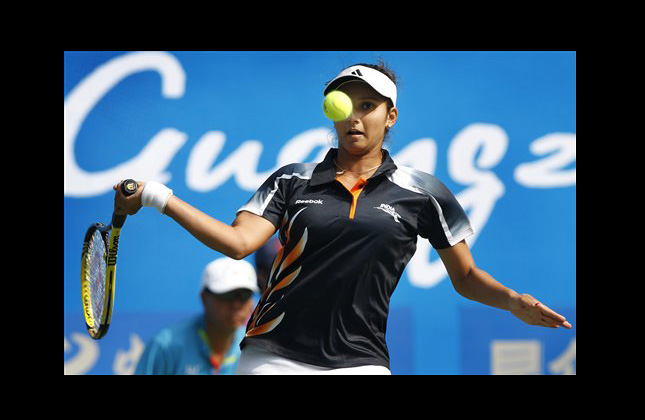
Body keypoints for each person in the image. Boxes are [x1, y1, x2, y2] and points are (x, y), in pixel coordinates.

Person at [116, 61, 572, 375]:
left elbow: (466, 276)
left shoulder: (423, 193)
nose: (354, 116)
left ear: (390, 116)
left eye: (368, 106)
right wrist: (159, 196)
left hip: (361, 361)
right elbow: (237, 243)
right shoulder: (293, 180)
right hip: (274, 356)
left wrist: (514, 302)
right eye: (344, 104)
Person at [134, 257, 259, 375]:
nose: (236, 304)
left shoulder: (255, 348)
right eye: (227, 295)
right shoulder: (166, 345)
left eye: (244, 295)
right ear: (204, 298)